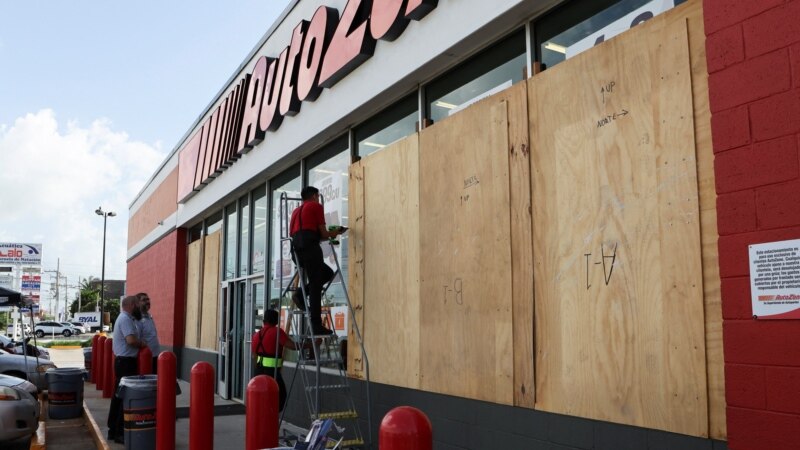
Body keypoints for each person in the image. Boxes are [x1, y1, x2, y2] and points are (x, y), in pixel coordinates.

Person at [289, 186, 345, 335]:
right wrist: (337, 232)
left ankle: (301, 293)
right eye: (318, 196)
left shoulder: (296, 212)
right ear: (315, 196)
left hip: (296, 251)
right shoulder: (316, 206)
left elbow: (300, 233)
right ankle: (316, 325)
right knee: (315, 286)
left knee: (326, 273)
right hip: (310, 249)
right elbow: (323, 233)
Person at [106, 295, 146, 444]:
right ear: (130, 305)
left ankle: (112, 430)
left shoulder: (126, 319)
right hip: (126, 363)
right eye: (136, 304)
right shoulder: (126, 319)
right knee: (124, 398)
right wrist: (142, 344)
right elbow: (131, 340)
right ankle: (119, 432)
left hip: (123, 362)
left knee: (118, 397)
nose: (138, 307)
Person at [251, 309, 297, 411]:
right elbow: (292, 346)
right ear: (276, 321)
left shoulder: (256, 335)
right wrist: (309, 345)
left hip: (258, 371)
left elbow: (254, 356)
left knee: (262, 399)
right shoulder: (276, 332)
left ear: (264, 321)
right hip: (272, 373)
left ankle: (263, 418)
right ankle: (271, 418)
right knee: (280, 397)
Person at [136, 292, 160, 373]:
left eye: (148, 299)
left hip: (155, 356)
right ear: (137, 303)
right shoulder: (137, 319)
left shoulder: (149, 316)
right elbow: (137, 339)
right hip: (145, 358)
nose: (147, 301)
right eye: (144, 300)